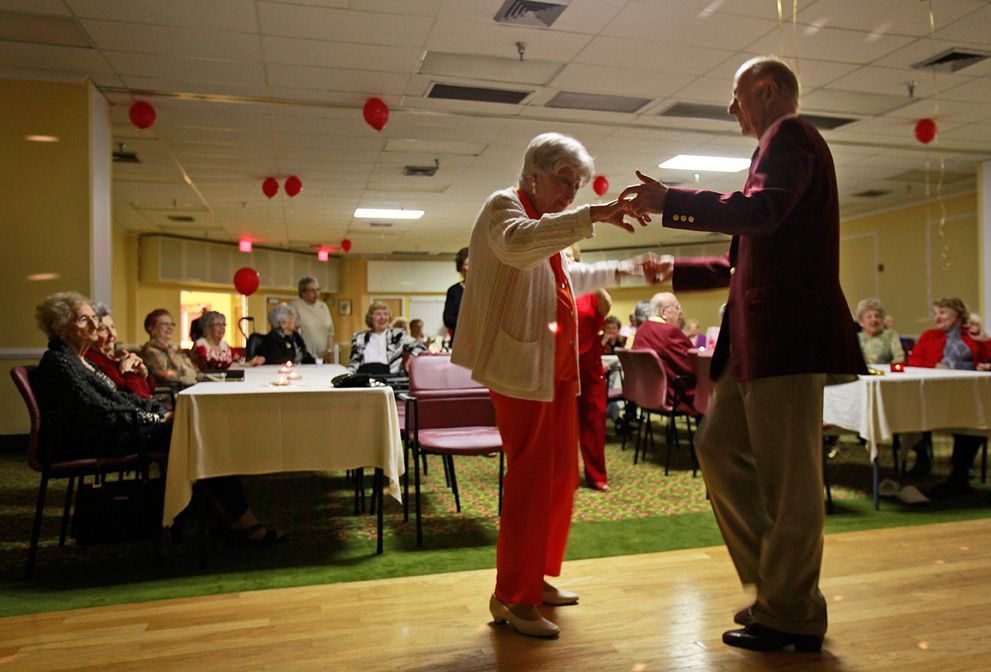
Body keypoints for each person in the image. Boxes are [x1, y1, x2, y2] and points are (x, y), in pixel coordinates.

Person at [619, 56, 866, 652]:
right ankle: (781, 591)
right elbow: (743, 259)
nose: (731, 109)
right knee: (719, 448)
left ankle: (792, 611)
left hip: (785, 339)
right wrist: (671, 268)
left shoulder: (792, 136)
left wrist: (669, 199)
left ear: (768, 90)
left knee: (790, 484)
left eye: (736, 97)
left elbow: (760, 214)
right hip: (758, 344)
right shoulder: (775, 150)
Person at [452, 132, 659, 639]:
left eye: (578, 184)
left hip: (554, 368)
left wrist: (631, 269)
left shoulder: (549, 226)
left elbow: (571, 277)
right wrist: (591, 214)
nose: (571, 191)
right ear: (534, 174)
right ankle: (512, 597)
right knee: (530, 480)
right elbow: (519, 247)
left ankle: (534, 578)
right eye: (565, 181)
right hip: (520, 367)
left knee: (561, 477)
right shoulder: (504, 207)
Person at [33, 293, 282, 543]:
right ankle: (237, 519)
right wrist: (158, 419)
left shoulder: (82, 361)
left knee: (197, 432)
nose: (94, 326)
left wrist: (161, 413)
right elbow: (103, 411)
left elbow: (121, 401)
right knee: (200, 435)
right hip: (93, 439)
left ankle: (225, 515)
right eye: (84, 319)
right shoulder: (60, 362)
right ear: (61, 328)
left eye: (93, 318)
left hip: (114, 430)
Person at [908, 297, 991, 497]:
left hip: (968, 394)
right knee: (913, 412)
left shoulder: (972, 335)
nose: (938, 317)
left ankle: (960, 474)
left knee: (974, 423)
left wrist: (984, 340)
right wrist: (935, 366)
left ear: (959, 315)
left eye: (943, 312)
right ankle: (923, 460)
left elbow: (989, 359)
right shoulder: (929, 336)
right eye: (936, 313)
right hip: (935, 394)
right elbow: (913, 359)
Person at [565, 246, 612, 492]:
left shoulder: (590, 289)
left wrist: (592, 280)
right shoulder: (552, 285)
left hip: (589, 365)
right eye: (562, 255)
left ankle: (597, 475)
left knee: (594, 419)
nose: (567, 259)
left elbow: (606, 307)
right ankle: (566, 476)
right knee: (563, 424)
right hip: (561, 365)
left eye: (570, 255)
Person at [630, 292, 696, 415]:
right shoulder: (668, 332)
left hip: (647, 394)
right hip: (672, 396)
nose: (680, 312)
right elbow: (691, 367)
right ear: (663, 312)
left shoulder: (641, 330)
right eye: (677, 308)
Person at [86, 303, 156, 399]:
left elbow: (149, 390)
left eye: (113, 327)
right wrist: (128, 371)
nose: (112, 334)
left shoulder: (112, 358)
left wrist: (143, 372)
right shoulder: (96, 361)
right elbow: (135, 397)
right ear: (90, 333)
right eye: (103, 329)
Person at [347, 302, 425, 374]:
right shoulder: (359, 337)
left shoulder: (398, 335)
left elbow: (420, 346)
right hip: (365, 377)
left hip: (389, 377)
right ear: (371, 318)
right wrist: (348, 376)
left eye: (385, 314)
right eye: (378, 314)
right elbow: (354, 361)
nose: (382, 317)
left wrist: (411, 357)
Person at [140, 309, 201, 389]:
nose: (170, 327)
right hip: (168, 395)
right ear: (151, 328)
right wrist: (187, 374)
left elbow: (194, 373)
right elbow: (168, 377)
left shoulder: (173, 349)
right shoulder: (150, 351)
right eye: (165, 324)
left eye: (172, 324)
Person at [192, 310, 264, 369]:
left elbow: (241, 359)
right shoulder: (201, 345)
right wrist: (247, 364)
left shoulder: (224, 345)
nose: (222, 328)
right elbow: (214, 366)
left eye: (223, 324)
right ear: (207, 328)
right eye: (218, 324)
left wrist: (253, 361)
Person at [290, 276, 334, 362]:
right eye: (312, 290)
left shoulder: (323, 306)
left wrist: (329, 350)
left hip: (323, 357)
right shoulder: (294, 306)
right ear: (303, 292)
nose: (316, 293)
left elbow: (330, 331)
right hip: (304, 358)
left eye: (318, 290)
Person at [855, 298, 904, 365]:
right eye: (869, 317)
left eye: (877, 316)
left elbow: (899, 358)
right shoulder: (856, 337)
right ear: (861, 322)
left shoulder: (890, 335)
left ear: (882, 319)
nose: (874, 319)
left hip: (887, 374)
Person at [443, 247, 469, 347]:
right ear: (461, 268)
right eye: (466, 265)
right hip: (460, 342)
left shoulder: (484, 289)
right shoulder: (454, 291)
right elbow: (448, 319)